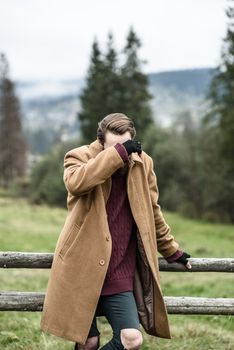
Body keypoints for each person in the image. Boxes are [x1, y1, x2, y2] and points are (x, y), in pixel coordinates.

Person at [40, 112, 192, 350]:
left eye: (126, 145)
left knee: (131, 339)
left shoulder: (144, 163)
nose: (122, 152)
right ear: (101, 141)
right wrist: (118, 154)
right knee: (88, 342)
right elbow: (76, 183)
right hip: (81, 266)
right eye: (114, 146)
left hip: (120, 268)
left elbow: (152, 212)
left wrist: (172, 250)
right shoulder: (78, 156)